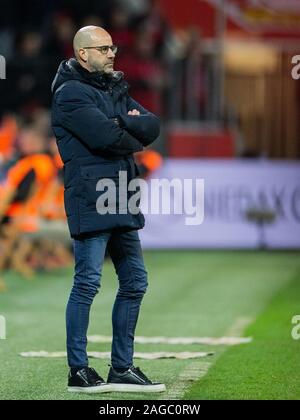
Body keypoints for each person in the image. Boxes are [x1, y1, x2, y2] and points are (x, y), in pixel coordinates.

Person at [51, 26, 165, 394]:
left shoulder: (114, 86)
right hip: (91, 196)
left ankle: (121, 368)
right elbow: (106, 138)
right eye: (103, 48)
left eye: (113, 46)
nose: (112, 53)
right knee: (87, 283)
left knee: (135, 282)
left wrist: (122, 123)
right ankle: (78, 371)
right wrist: (125, 128)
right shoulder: (70, 93)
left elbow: (152, 125)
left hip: (121, 194)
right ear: (83, 54)